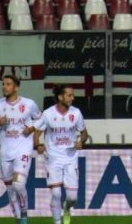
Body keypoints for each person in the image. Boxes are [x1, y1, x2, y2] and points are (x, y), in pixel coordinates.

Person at [0, 74, 42, 224]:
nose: (4, 87)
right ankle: (18, 218)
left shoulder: (29, 104)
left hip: (23, 150)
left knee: (18, 184)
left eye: (8, 84)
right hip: (6, 152)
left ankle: (24, 215)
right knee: (10, 189)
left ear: (16, 87)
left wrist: (32, 130)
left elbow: (41, 120)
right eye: (3, 84)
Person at [26, 85, 88, 224]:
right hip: (53, 158)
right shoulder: (48, 114)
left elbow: (84, 133)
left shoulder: (76, 113)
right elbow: (36, 133)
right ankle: (57, 221)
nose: (73, 98)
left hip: (71, 158)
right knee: (56, 193)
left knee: (72, 198)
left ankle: (66, 209)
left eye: (73, 95)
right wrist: (38, 145)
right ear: (60, 97)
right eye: (69, 95)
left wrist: (81, 142)